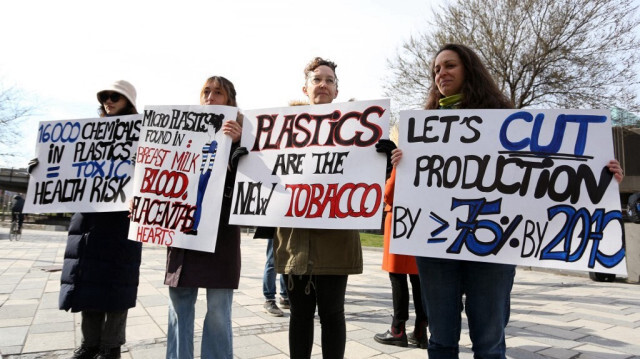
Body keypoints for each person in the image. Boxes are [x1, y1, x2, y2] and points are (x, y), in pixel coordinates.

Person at [390, 43, 625, 359]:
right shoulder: (424, 127)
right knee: (441, 339)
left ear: (469, 70)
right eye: (436, 69)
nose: (440, 74)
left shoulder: (506, 120)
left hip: (493, 243)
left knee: (489, 342)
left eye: (449, 66)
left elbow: (545, 174)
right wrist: (403, 164)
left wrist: (601, 176)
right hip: (436, 245)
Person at [273, 57, 363, 359]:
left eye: (329, 80)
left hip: (336, 238)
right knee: (299, 315)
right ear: (306, 87)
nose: (323, 84)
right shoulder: (281, 130)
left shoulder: (358, 129)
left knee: (332, 313)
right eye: (317, 79)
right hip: (296, 239)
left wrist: (383, 157)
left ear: (336, 90)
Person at [59, 80, 143, 359]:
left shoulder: (142, 132)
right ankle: (89, 344)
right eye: (105, 97)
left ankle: (111, 346)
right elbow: (64, 164)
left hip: (122, 219)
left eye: (115, 97)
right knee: (88, 282)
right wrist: (40, 168)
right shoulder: (86, 134)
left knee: (118, 284)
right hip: (90, 220)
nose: (108, 101)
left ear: (128, 101)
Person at [164, 75, 243, 359]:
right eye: (206, 91)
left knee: (219, 309)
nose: (210, 97)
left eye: (218, 92)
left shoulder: (246, 137)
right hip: (183, 231)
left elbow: (252, 183)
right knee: (179, 304)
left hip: (220, 233)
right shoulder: (179, 130)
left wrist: (237, 145)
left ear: (230, 100)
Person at [373, 166, 428, 349]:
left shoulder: (404, 159)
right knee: (417, 276)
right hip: (420, 218)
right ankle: (421, 329)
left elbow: (389, 194)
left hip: (399, 218)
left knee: (397, 276)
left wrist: (389, 175)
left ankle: (398, 328)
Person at [255, 227, 289, 317]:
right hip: (275, 225)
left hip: (290, 225)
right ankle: (269, 299)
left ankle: (285, 297)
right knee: (272, 261)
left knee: (287, 261)